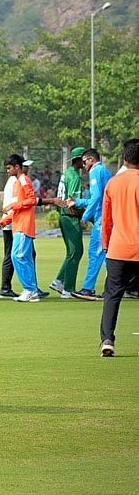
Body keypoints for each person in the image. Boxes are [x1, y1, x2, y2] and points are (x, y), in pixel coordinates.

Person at [98, 138, 139, 356]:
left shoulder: (114, 183)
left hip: (118, 248)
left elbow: (106, 220)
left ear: (124, 158)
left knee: (112, 296)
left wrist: (106, 243)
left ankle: (107, 339)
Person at [68, 148, 113, 301]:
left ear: (91, 160)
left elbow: (96, 198)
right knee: (107, 255)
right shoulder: (104, 171)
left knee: (95, 253)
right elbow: (97, 198)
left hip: (103, 220)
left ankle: (88, 288)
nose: (83, 164)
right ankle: (112, 288)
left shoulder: (95, 171)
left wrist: (85, 217)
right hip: (107, 218)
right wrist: (78, 202)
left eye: (85, 161)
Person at [0, 155, 41, 302]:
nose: (8, 171)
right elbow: (19, 210)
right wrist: (3, 222)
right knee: (25, 258)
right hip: (18, 225)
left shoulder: (23, 179)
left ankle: (29, 289)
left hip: (23, 226)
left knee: (17, 256)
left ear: (17, 167)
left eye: (9, 168)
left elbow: (32, 200)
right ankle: (32, 291)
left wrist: (12, 205)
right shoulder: (16, 183)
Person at [49, 146, 86, 299]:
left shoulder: (66, 174)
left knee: (73, 252)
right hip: (71, 217)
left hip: (62, 216)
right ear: (78, 160)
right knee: (76, 251)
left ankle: (59, 281)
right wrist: (82, 217)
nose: (84, 162)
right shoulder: (75, 177)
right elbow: (73, 201)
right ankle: (68, 289)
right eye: (83, 159)